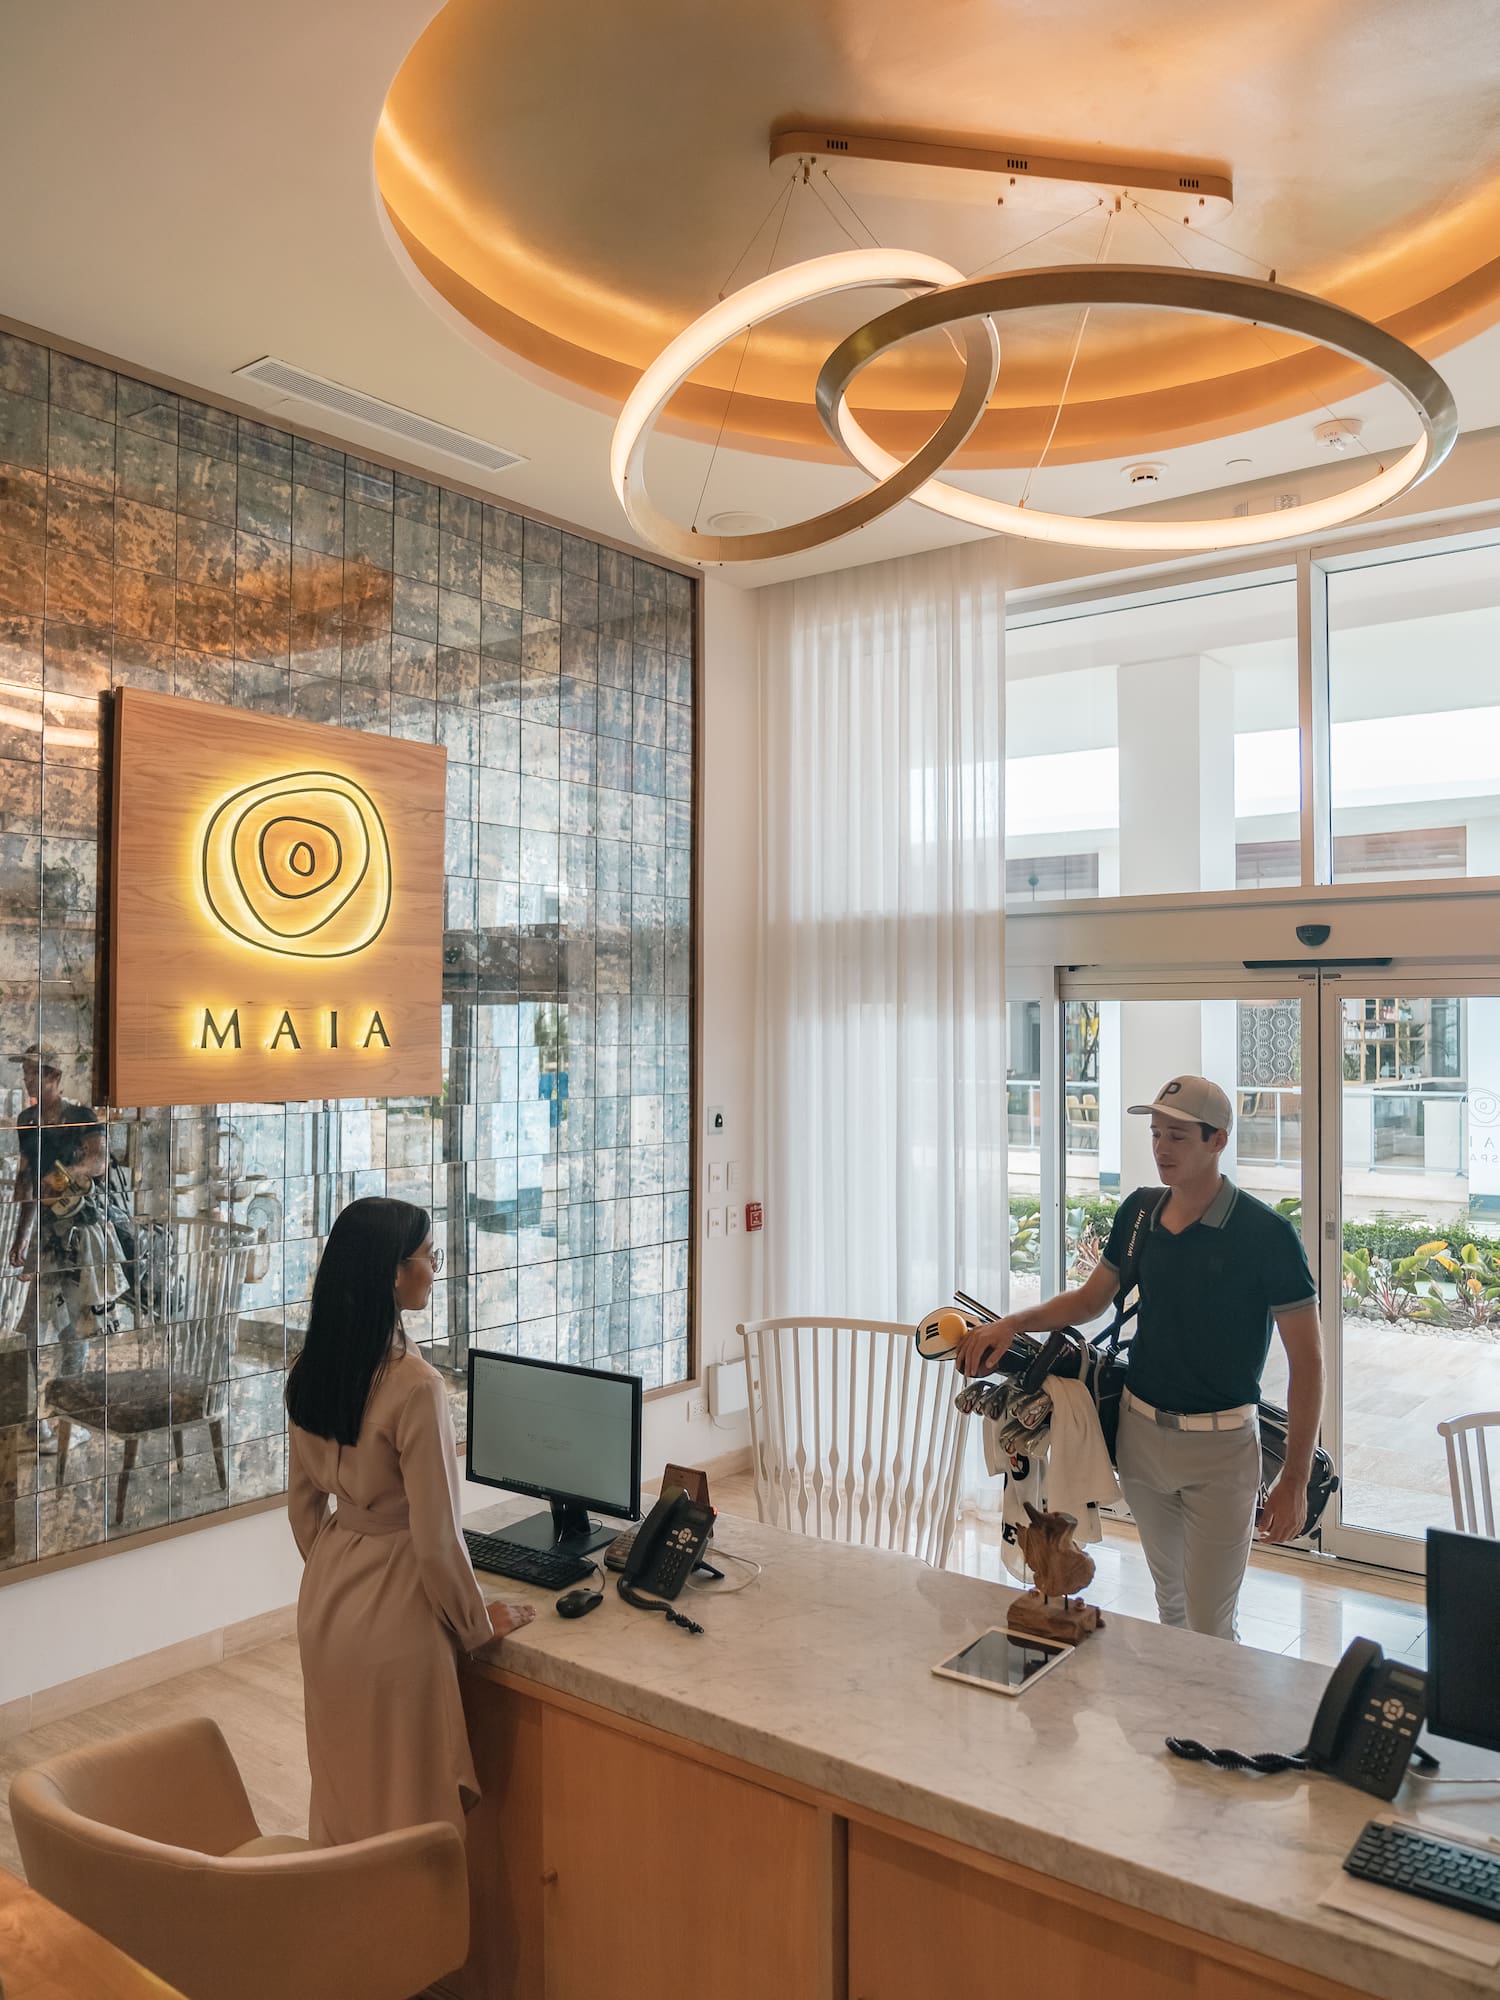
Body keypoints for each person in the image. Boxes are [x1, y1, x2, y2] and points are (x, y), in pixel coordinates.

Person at [956, 1075, 1324, 1643]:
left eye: (1177, 1136)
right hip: (1142, 1438)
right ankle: (1176, 1727)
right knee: (1171, 1606)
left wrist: (1295, 1478)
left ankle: (1217, 1728)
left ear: (1218, 1140)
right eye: (1156, 1133)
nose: (1161, 1148)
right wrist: (1010, 1324)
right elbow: (1088, 1299)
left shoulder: (1267, 1236)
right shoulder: (1140, 1213)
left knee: (1208, 1623)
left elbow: (1308, 1362)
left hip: (1221, 1451)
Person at [286, 1196, 536, 1846]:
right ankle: (409, 1944)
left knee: (345, 1796)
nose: (437, 1265)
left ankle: (341, 1933)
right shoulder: (416, 1386)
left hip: (326, 1603)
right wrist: (478, 1624)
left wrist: (342, 1568)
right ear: (393, 1275)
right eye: (428, 1254)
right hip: (397, 1618)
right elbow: (435, 1542)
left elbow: (303, 1505)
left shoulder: (310, 1367)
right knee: (407, 1812)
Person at [7, 1043, 124, 1452]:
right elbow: (25, 1180)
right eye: (24, 1074)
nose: (27, 1080)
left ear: (55, 1078)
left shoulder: (80, 1117)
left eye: (35, 1073)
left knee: (76, 1330)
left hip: (78, 1231)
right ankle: (34, 1417)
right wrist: (20, 1235)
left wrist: (60, 1178)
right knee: (33, 1330)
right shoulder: (27, 1119)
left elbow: (97, 1162)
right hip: (44, 1233)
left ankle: (67, 1420)